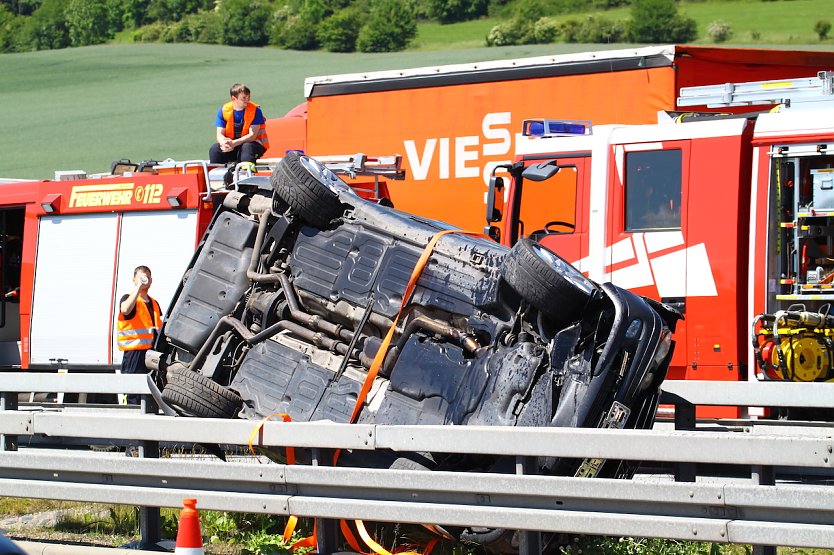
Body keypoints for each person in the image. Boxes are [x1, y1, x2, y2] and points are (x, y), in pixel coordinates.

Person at [116, 265, 162, 405]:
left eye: (146, 276)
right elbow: (125, 309)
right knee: (133, 394)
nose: (144, 279)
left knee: (150, 393)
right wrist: (138, 289)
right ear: (134, 280)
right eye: (140, 277)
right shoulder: (129, 299)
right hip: (134, 354)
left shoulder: (154, 303)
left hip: (151, 355)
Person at [209, 83, 269, 165]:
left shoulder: (256, 110)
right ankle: (217, 175)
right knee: (215, 149)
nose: (247, 100)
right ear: (234, 99)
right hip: (233, 145)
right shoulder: (224, 110)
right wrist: (223, 143)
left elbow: (252, 136)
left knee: (247, 147)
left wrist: (234, 143)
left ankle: (246, 173)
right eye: (244, 98)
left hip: (252, 144)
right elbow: (219, 134)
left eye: (249, 97)